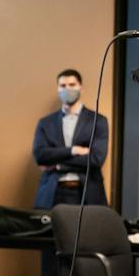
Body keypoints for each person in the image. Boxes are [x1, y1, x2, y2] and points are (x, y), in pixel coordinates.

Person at [31, 69, 109, 207]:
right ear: (58, 89)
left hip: (87, 193)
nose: (67, 89)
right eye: (63, 85)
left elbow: (96, 159)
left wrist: (58, 165)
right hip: (52, 193)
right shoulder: (45, 123)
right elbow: (40, 156)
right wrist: (73, 150)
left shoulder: (98, 120)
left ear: (80, 88)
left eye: (72, 85)